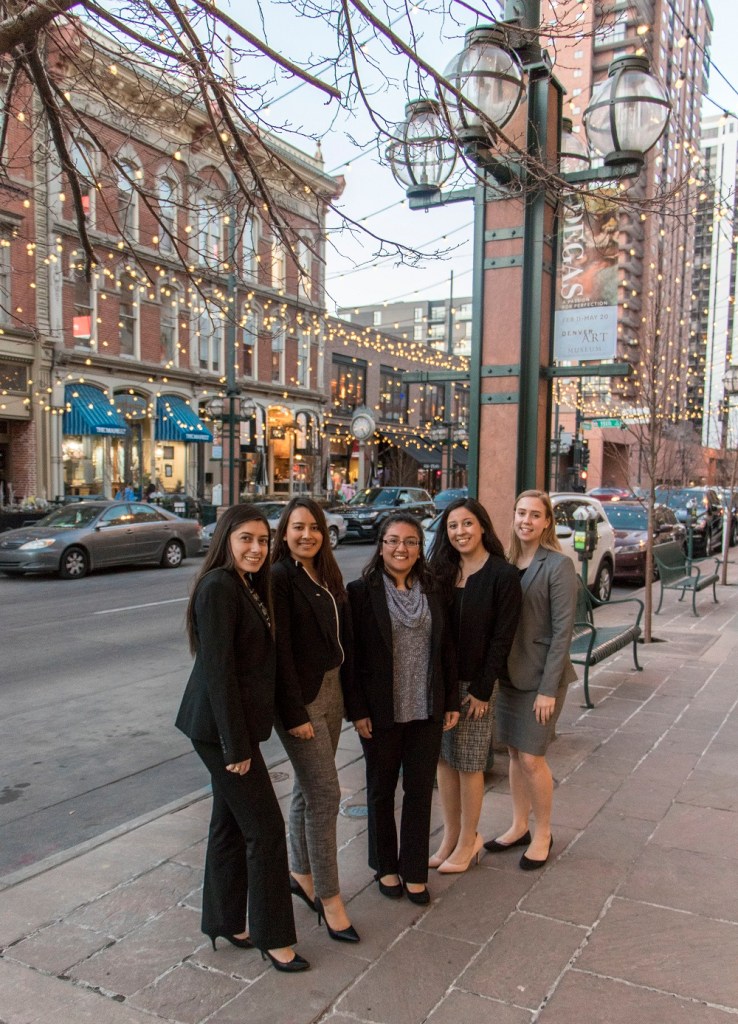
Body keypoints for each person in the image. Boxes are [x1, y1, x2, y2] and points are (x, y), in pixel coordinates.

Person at [175, 504, 309, 973]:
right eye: (245, 539)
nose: (256, 548)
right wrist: (236, 747)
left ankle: (225, 920)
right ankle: (274, 937)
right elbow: (219, 674)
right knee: (266, 829)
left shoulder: (249, 585)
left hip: (232, 727)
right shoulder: (218, 588)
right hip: (218, 731)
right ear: (226, 541)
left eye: (262, 540)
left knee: (230, 822)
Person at [346, 513, 459, 905]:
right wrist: (356, 709)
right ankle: (385, 866)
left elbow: (447, 649)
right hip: (381, 712)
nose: (401, 549)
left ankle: (413, 870)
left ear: (419, 548)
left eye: (410, 541)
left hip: (426, 709)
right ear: (381, 546)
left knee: (417, 792)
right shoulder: (360, 593)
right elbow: (353, 658)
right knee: (380, 791)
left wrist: (450, 703)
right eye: (393, 540)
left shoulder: (433, 589)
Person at [271, 497, 359, 944]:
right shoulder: (280, 577)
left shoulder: (324, 573)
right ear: (284, 532)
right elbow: (279, 652)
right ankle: (331, 898)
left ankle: (300, 872)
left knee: (308, 789)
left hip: (332, 691)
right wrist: (292, 712)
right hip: (302, 700)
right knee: (327, 795)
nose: (307, 535)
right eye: (298, 527)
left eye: (315, 528)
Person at [484, 490, 577, 870]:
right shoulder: (504, 561)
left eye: (534, 515)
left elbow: (562, 632)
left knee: (533, 757)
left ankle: (543, 832)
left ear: (546, 522)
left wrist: (546, 691)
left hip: (541, 679)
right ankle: (519, 825)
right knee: (513, 752)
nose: (526, 520)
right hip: (507, 676)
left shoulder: (558, 565)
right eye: (520, 512)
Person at [428, 498, 522, 873]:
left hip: (476, 685)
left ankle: (470, 839)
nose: (460, 532)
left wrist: (483, 689)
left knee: (468, 763)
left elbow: (503, 638)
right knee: (444, 761)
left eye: (467, 524)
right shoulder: (440, 571)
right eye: (452, 526)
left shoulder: (503, 575)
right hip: (440, 682)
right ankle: (450, 835)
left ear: (482, 526)